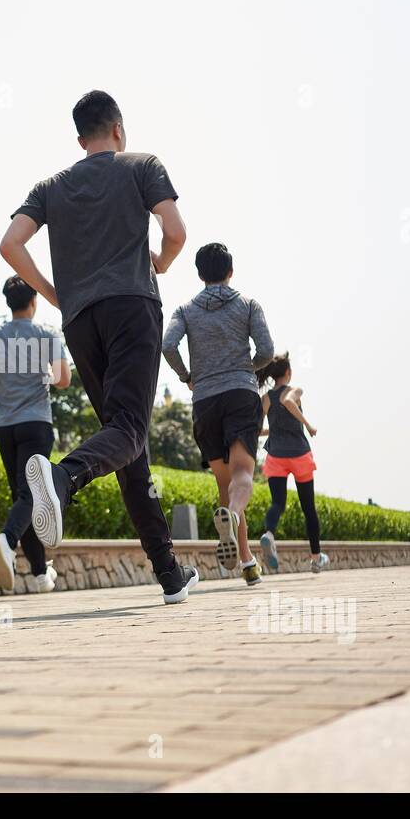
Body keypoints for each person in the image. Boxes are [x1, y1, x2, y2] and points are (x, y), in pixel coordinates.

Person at [0, 90, 200, 605]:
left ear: (79, 137)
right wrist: (161, 263)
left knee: (128, 442)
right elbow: (175, 232)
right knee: (129, 430)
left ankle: (169, 573)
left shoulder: (50, 186)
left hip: (81, 319)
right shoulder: (141, 164)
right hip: (132, 306)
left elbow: (10, 245)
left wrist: (52, 294)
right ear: (118, 128)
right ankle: (63, 479)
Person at [161, 242, 273, 587]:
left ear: (199, 275)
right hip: (240, 393)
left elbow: (167, 345)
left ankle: (247, 561)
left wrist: (188, 377)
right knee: (243, 478)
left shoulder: (185, 310)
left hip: (205, 400)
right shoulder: (248, 304)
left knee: (226, 484)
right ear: (230, 271)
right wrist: (246, 369)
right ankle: (235, 519)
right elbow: (267, 350)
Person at [0, 276, 71, 593]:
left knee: (24, 493)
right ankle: (7, 540)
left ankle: (38, 574)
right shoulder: (46, 336)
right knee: (31, 493)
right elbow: (64, 380)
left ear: (9, 303)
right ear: (33, 302)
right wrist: (45, 372)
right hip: (36, 423)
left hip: (5, 426)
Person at [256, 352, 327, 574]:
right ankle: (316, 558)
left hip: (276, 455)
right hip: (299, 454)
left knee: (278, 503)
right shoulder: (294, 391)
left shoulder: (265, 398)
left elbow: (258, 430)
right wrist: (308, 424)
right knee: (309, 509)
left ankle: (269, 534)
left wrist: (274, 429)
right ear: (288, 372)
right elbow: (287, 401)